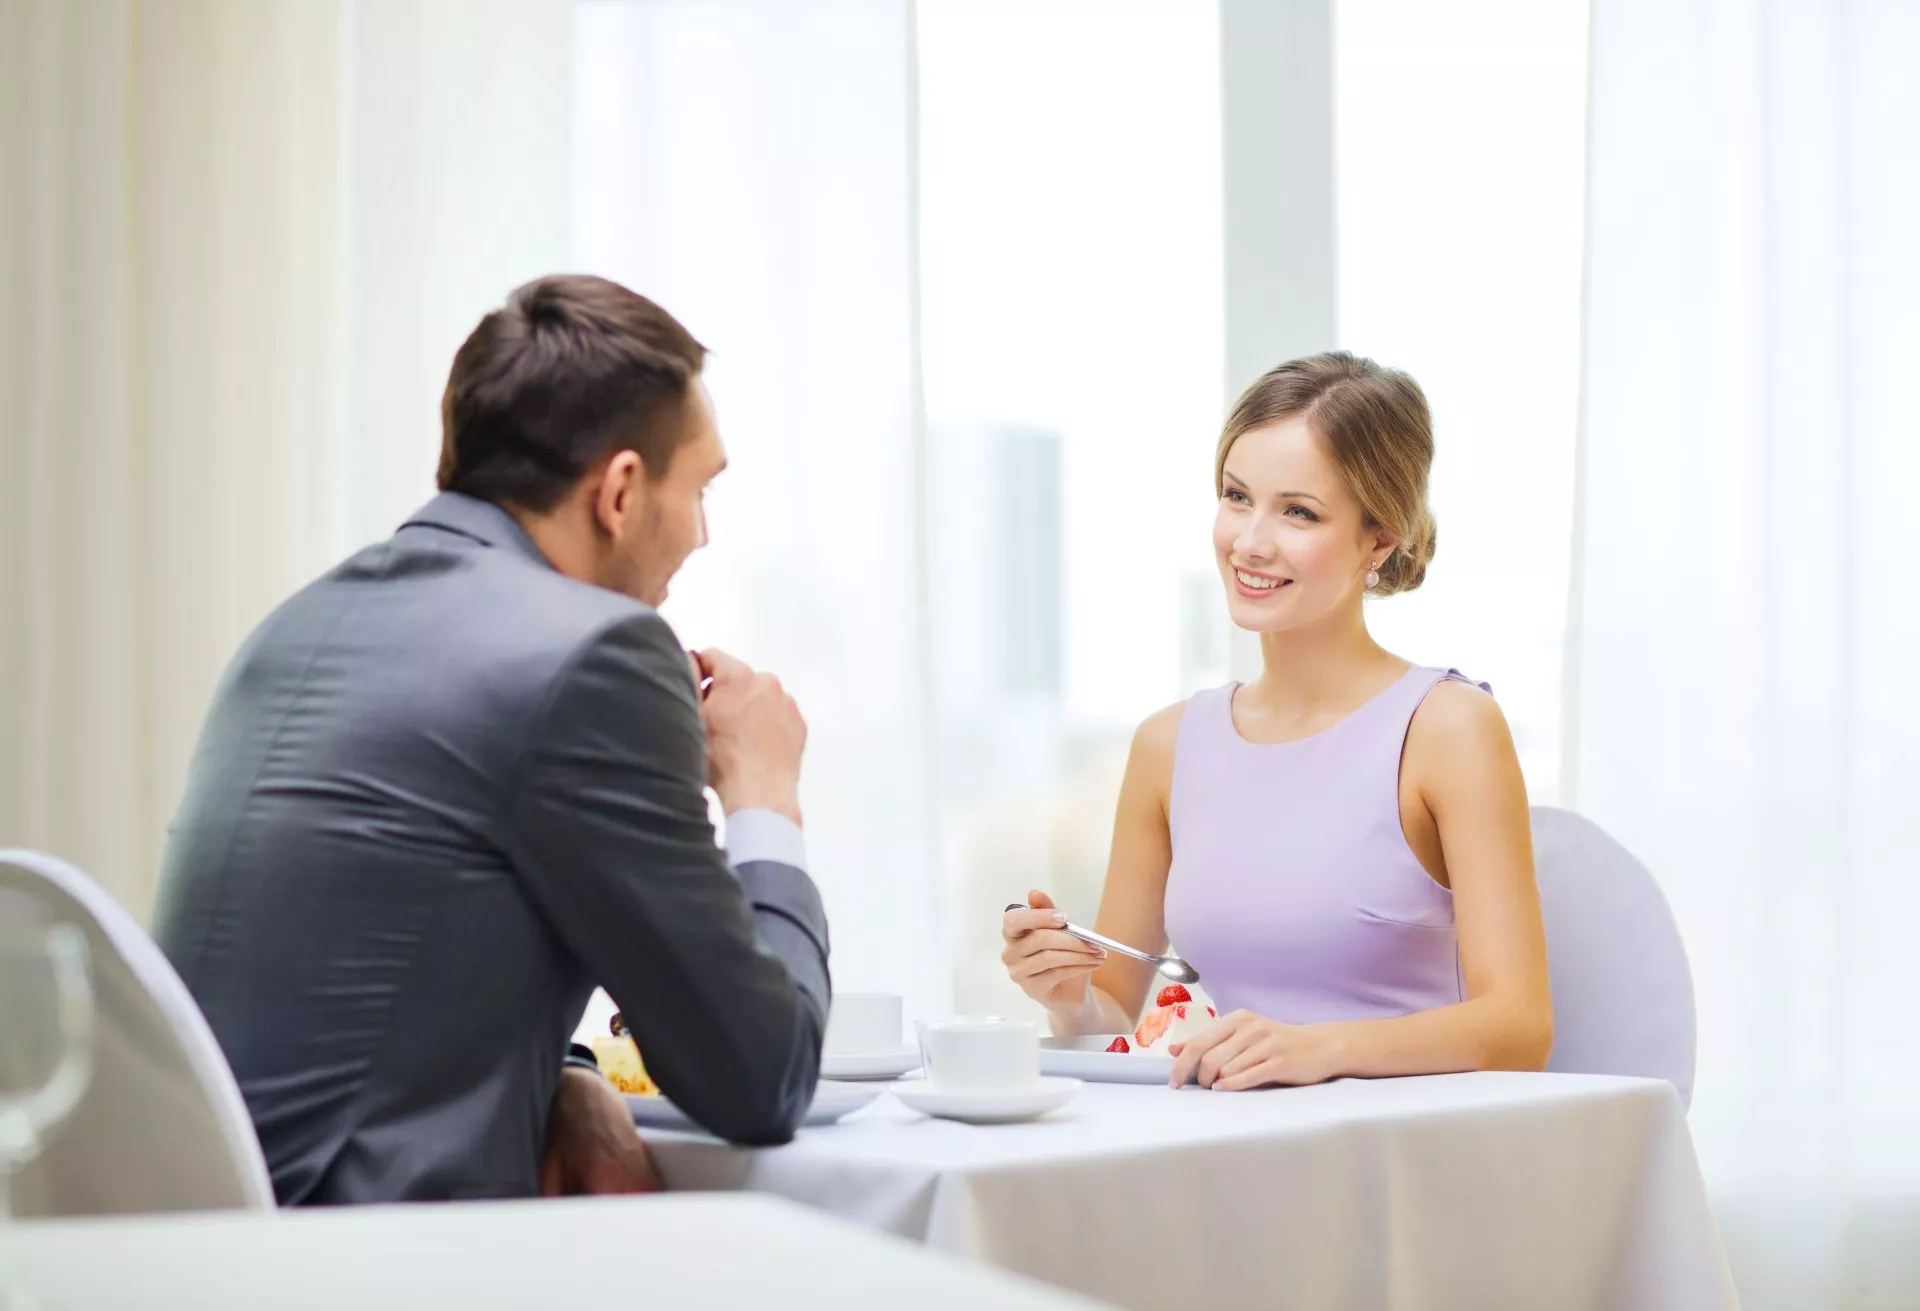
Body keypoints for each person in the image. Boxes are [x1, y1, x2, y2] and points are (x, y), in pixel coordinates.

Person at [151, 274, 831, 1204]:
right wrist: (765, 797)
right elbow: (763, 1080)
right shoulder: (595, 656)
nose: (702, 537)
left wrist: (570, 1072)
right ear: (622, 492)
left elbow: (406, 973)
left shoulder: (294, 628)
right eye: (699, 490)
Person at [1000, 351, 1552, 1090]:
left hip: (1397, 1158)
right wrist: (1067, 997)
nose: (1251, 541)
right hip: (1231, 1151)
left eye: (1298, 511)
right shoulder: (1167, 745)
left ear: (1379, 539)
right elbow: (1115, 1019)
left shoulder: (1448, 728)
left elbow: (1520, 1026)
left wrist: (1319, 1048)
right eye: (1236, 496)